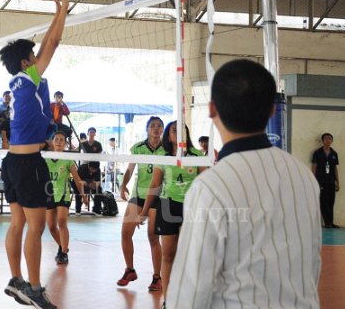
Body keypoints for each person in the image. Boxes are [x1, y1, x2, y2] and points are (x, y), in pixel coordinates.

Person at [167, 59, 322, 309]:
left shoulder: (211, 186)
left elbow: (191, 289)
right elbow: (311, 264)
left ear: (212, 109)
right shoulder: (303, 176)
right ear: (272, 110)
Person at [0, 0, 67, 309]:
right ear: (27, 63)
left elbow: (45, 48)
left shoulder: (19, 82)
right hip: (27, 164)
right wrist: (62, 10)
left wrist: (56, 13)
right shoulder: (30, 78)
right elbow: (52, 43)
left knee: (18, 223)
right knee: (35, 228)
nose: (37, 57)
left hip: (11, 162)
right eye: (32, 56)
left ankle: (16, 279)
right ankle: (35, 288)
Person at [138, 121, 204, 304]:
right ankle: (168, 300)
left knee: (188, 255)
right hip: (168, 206)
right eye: (175, 130)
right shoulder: (163, 156)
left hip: (191, 207)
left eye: (182, 129)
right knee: (168, 255)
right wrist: (144, 211)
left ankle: (188, 298)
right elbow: (155, 185)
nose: (178, 133)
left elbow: (205, 183)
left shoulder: (197, 155)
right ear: (169, 135)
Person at [117, 116, 165, 292]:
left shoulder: (167, 149)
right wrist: (123, 184)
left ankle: (157, 277)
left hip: (158, 197)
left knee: (153, 237)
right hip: (139, 195)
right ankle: (130, 270)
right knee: (125, 233)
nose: (156, 128)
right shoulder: (138, 148)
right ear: (147, 129)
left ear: (162, 130)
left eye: (159, 126)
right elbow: (130, 169)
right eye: (152, 126)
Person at [45, 131, 83, 265]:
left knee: (61, 222)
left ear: (65, 143)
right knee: (51, 226)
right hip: (49, 195)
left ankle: (64, 254)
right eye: (57, 139)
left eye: (62, 140)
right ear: (52, 142)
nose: (59, 142)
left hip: (63, 194)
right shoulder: (46, 158)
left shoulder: (68, 159)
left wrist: (83, 195)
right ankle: (62, 247)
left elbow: (77, 179)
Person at [312, 132, 340, 228]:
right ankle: (327, 223)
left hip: (331, 181)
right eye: (326, 138)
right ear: (323, 141)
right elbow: (314, 167)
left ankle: (331, 223)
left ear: (332, 141)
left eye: (330, 139)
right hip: (321, 181)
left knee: (331, 202)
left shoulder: (334, 154)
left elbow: (335, 169)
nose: (328, 140)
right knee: (323, 202)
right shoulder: (317, 153)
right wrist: (313, 180)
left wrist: (337, 182)